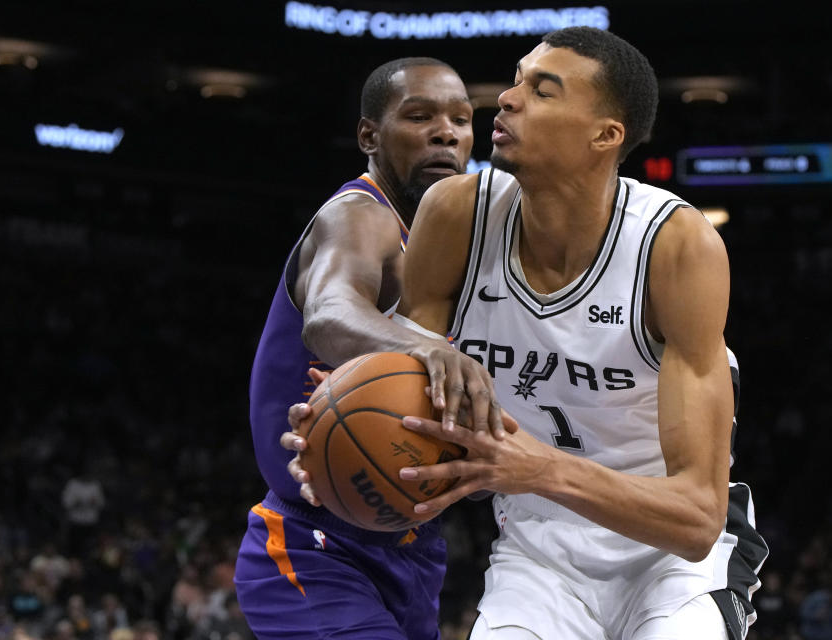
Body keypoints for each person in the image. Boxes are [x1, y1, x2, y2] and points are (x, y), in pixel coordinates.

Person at [286, 27, 769, 640]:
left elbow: (697, 518)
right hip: (537, 551)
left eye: (542, 91)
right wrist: (339, 426)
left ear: (605, 135)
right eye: (515, 81)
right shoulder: (456, 212)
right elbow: (409, 388)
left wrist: (536, 467)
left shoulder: (675, 246)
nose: (507, 100)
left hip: (672, 561)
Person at [233, 57, 490, 639]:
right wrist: (434, 351)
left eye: (461, 118)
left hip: (413, 547)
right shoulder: (359, 214)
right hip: (311, 544)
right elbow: (329, 314)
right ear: (369, 136)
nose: (446, 131)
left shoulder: (453, 248)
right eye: (419, 116)